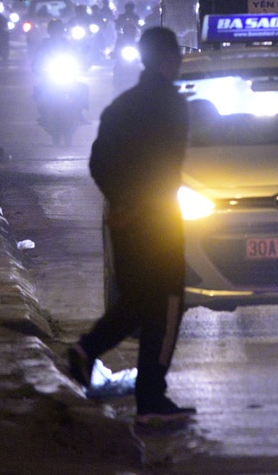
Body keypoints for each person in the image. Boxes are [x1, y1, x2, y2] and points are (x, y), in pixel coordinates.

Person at [64, 27, 194, 425]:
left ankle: (90, 354)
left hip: (125, 219)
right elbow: (167, 167)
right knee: (166, 303)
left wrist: (122, 201)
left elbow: (98, 164)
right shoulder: (172, 105)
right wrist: (147, 202)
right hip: (158, 220)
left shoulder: (121, 107)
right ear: (170, 58)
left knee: (140, 299)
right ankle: (151, 397)